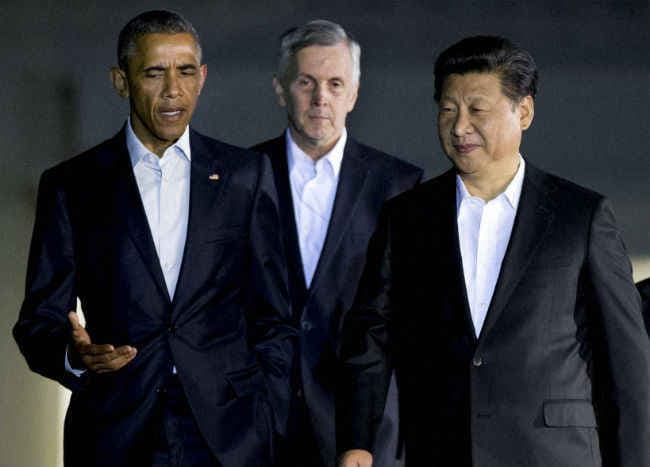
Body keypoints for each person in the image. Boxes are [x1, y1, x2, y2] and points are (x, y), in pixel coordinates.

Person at [337, 36, 650, 467]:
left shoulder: (580, 216)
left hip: (553, 455)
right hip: (440, 450)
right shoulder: (406, 217)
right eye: (448, 110)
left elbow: (628, 363)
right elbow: (370, 337)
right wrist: (357, 441)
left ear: (524, 111)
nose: (459, 126)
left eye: (477, 110)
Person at [13, 10, 295, 467]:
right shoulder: (72, 185)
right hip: (115, 431)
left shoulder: (246, 175)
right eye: (153, 73)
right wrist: (74, 355)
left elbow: (275, 318)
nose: (172, 90)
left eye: (185, 72)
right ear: (121, 81)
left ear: (202, 77)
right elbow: (39, 320)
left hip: (229, 435)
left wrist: (267, 413)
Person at [252, 20, 422, 467]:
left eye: (335, 84)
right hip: (262, 425)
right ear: (280, 89)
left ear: (354, 94)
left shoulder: (400, 185)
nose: (320, 97)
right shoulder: (240, 176)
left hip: (364, 429)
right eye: (305, 82)